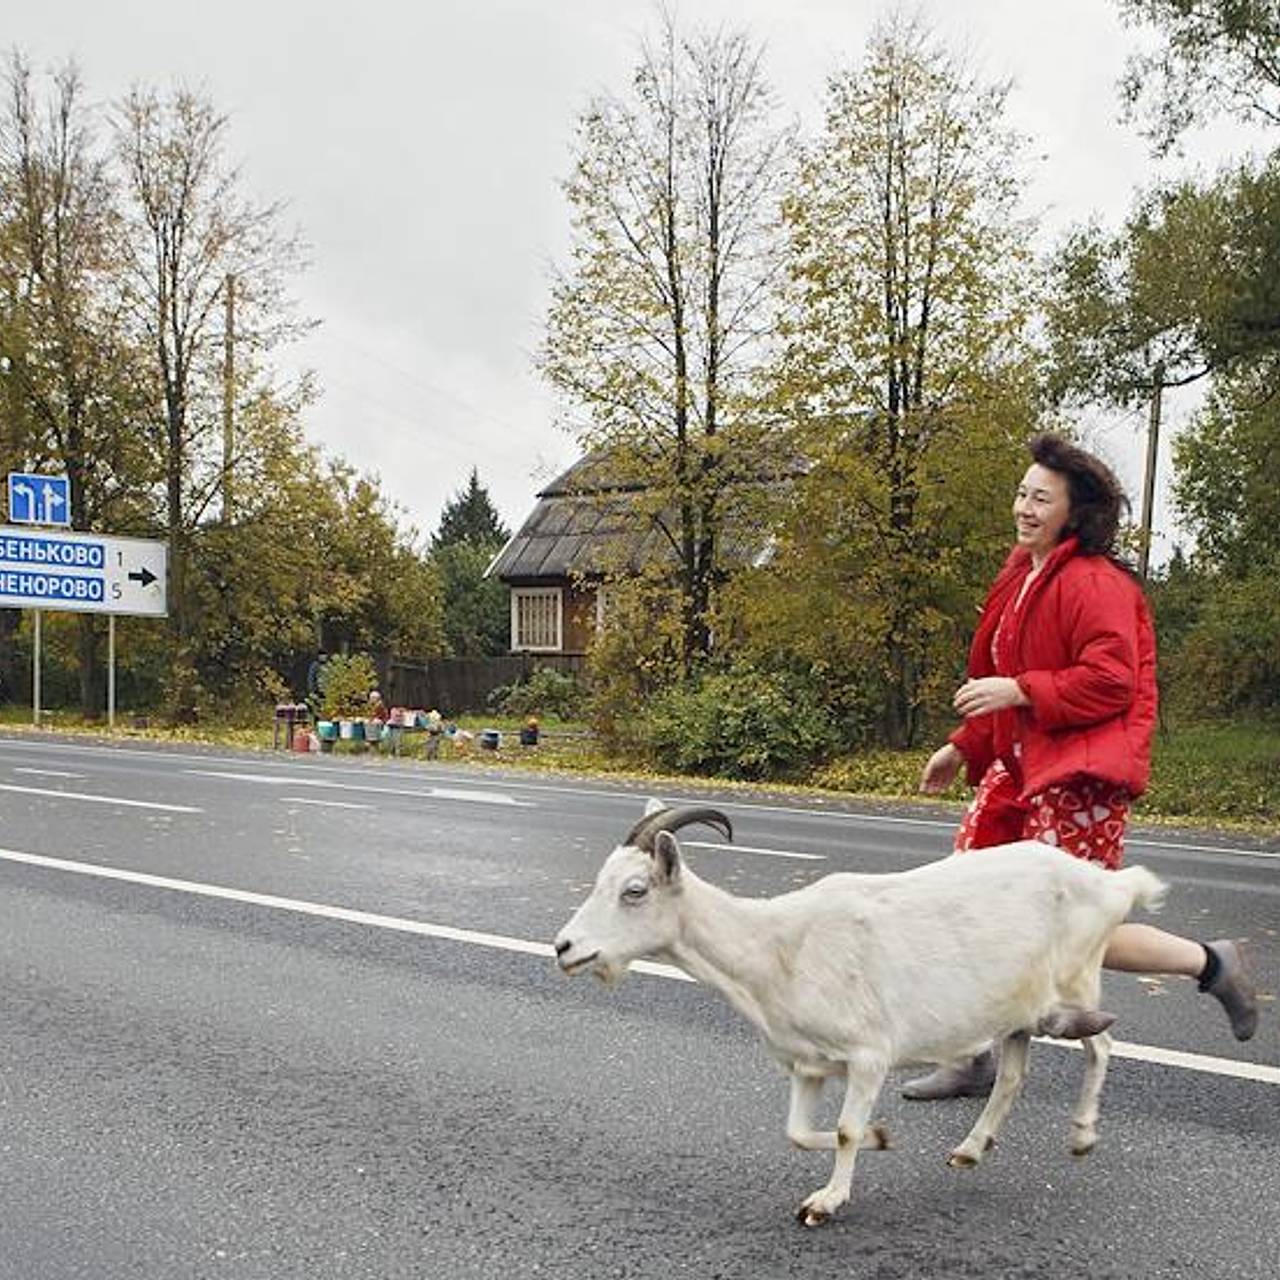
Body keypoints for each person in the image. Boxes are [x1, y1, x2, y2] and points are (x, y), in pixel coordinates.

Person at [902, 432, 1258, 1101]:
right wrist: (965, 746)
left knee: (1076, 926)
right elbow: (1000, 681)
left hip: (1080, 774)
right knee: (966, 900)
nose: (1025, 507)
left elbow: (1111, 681)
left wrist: (1022, 691)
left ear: (1075, 511)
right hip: (1019, 763)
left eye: (1042, 498)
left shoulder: (1096, 584)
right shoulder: (1022, 574)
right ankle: (973, 1055)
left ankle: (1213, 963)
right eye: (1021, 493)